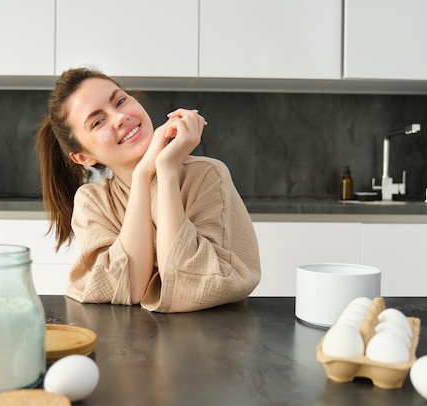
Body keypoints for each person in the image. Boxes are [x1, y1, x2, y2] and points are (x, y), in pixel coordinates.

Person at [35, 67, 260, 313]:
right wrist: (143, 175)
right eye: (98, 121)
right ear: (83, 157)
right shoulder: (92, 201)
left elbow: (193, 285)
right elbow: (127, 287)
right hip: (123, 343)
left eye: (120, 101)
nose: (119, 117)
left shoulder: (207, 176)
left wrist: (167, 169)